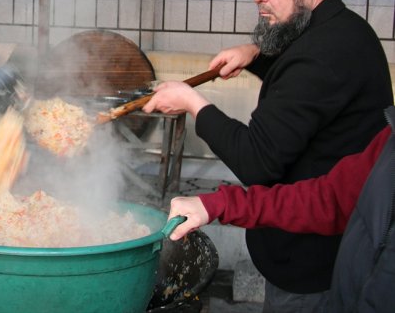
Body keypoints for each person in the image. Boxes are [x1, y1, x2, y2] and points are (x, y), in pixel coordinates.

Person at [143, 0, 392, 310]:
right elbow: (306, 86)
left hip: (313, 268)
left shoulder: (322, 53)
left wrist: (192, 101)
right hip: (328, 246)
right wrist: (254, 54)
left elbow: (258, 160)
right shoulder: (344, 31)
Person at [167, 105, 395, 313]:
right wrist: (222, 203)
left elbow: (256, 160)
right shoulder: (390, 141)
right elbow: (331, 198)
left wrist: (193, 102)